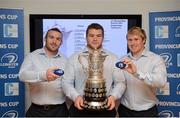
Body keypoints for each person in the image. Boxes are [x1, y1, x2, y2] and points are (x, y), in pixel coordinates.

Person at [62, 23, 126, 117]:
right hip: (80, 108)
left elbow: (120, 82)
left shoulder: (113, 58)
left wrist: (113, 96)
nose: (95, 39)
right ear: (86, 37)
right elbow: (66, 82)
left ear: (103, 38)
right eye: (91, 35)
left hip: (105, 108)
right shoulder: (74, 58)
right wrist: (76, 97)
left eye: (98, 36)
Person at [117, 26, 167, 117]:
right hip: (125, 111)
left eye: (136, 39)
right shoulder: (122, 60)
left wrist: (137, 73)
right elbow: (119, 83)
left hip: (147, 112)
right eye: (130, 40)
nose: (133, 43)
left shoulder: (155, 59)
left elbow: (161, 82)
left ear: (143, 40)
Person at [19, 28, 69, 117]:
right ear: (44, 39)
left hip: (59, 111)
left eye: (58, 39)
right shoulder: (32, 56)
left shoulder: (66, 60)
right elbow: (22, 75)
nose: (54, 41)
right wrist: (44, 75)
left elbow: (69, 84)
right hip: (37, 112)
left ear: (61, 42)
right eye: (51, 37)